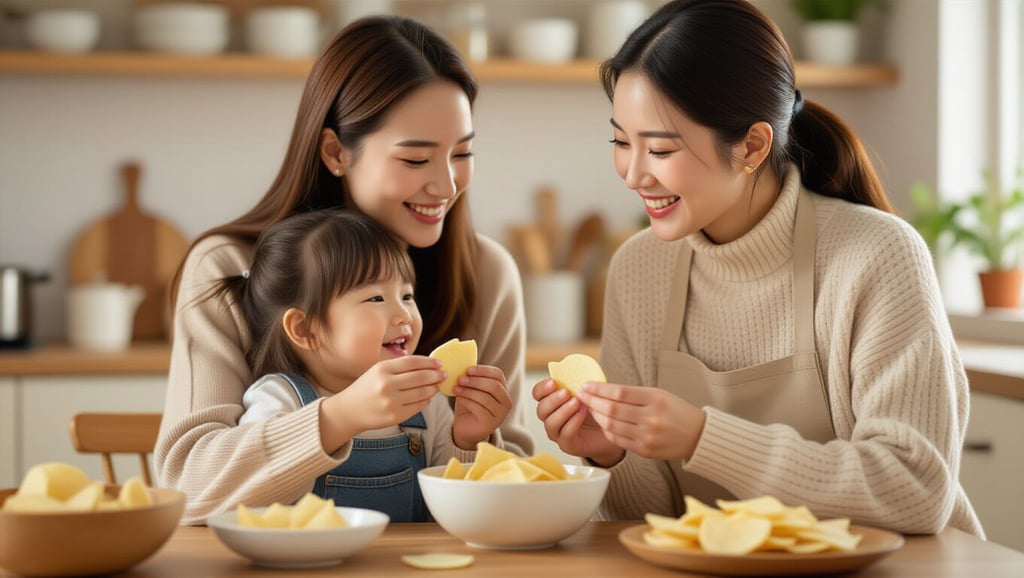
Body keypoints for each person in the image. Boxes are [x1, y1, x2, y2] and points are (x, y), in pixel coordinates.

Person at [533, 0, 983, 536]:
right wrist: (613, 453)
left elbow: (915, 490)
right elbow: (649, 521)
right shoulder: (639, 267)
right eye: (620, 142)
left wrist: (705, 438)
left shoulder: (877, 255)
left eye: (658, 149)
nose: (632, 174)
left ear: (751, 145)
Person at [156, 16, 533, 525]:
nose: (446, 185)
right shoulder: (228, 265)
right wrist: (338, 416)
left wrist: (476, 439)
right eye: (416, 159)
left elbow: (519, 483)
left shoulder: (486, 271)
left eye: (462, 153)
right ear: (336, 151)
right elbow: (188, 486)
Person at [221, 210, 510, 522]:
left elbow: (455, 514)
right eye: (375, 298)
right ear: (305, 329)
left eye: (407, 295)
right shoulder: (280, 401)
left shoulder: (428, 405)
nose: (404, 315)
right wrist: (342, 417)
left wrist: (467, 441)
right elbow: (248, 497)